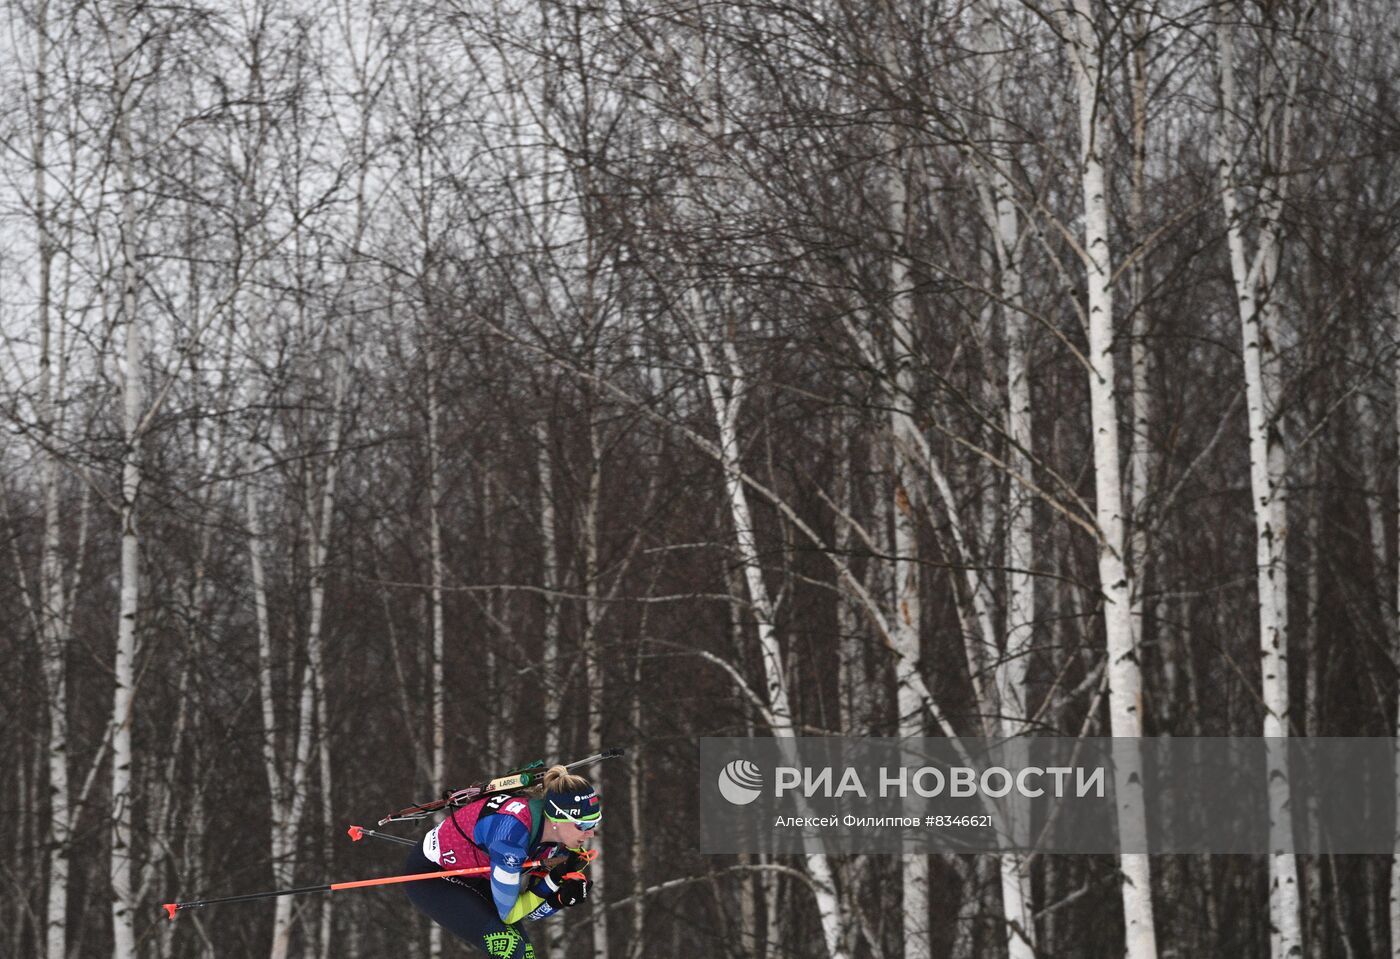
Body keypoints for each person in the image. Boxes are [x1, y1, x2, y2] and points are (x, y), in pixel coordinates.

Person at [402, 764, 601, 958]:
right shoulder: (511, 838)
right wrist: (554, 879)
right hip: (433, 875)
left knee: (525, 954)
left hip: (476, 875)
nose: (591, 832)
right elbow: (511, 914)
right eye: (583, 824)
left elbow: (529, 910)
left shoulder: (556, 840)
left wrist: (559, 899)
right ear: (558, 818)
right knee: (510, 949)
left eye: (595, 822)